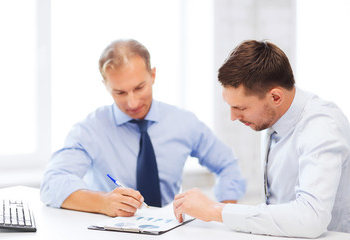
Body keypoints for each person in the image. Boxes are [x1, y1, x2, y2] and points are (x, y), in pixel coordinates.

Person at [40, 39, 246, 217]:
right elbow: (52, 184)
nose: (132, 102)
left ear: (153, 75)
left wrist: (223, 213)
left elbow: (227, 164)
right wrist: (103, 202)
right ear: (106, 86)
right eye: (120, 92)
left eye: (139, 87)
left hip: (170, 230)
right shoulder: (90, 129)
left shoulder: (183, 122)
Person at [173, 40, 350, 238]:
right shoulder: (273, 117)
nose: (233, 117)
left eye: (240, 108)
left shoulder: (321, 127)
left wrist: (215, 210)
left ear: (275, 97)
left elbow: (310, 218)